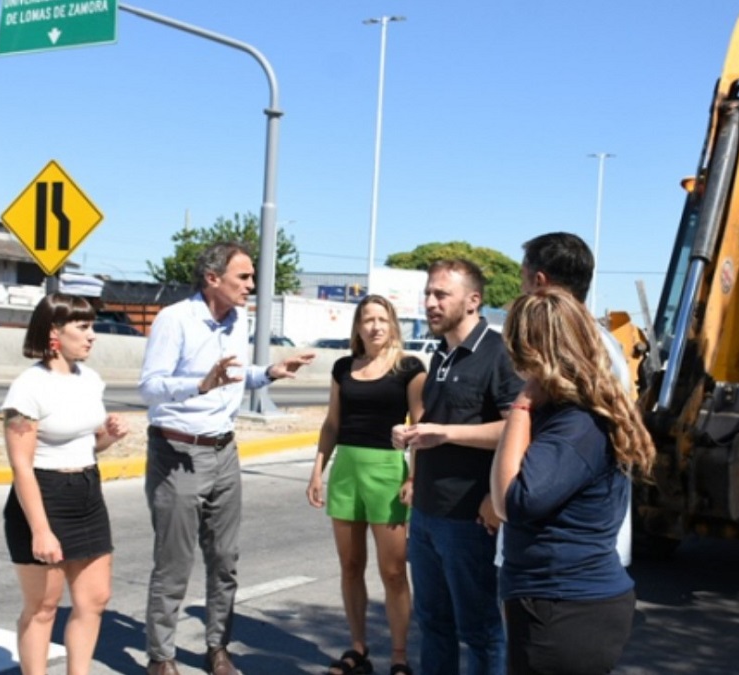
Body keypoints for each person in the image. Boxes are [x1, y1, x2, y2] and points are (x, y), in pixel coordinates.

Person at [138, 242, 316, 675]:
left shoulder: (239, 321)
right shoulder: (174, 320)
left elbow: (235, 378)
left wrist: (268, 373)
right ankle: (161, 657)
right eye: (245, 277)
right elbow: (150, 387)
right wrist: (199, 385)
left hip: (224, 451)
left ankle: (218, 648)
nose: (252, 286)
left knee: (225, 559)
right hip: (177, 450)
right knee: (174, 563)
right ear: (213, 278)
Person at [491, 287, 655, 675]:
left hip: (566, 608)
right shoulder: (568, 414)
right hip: (560, 602)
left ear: (527, 349)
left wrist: (521, 402)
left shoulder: (577, 423)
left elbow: (511, 502)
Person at [393, 259, 523, 675]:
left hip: (469, 519)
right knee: (433, 625)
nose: (429, 302)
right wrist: (414, 439)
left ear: (473, 301)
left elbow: (518, 430)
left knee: (481, 631)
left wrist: (446, 434)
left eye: (440, 294)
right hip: (428, 514)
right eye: (428, 293)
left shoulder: (499, 355)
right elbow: (441, 421)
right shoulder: (441, 354)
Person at [1, 292, 130, 675]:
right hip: (43, 497)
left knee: (94, 600)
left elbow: (88, 445)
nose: (93, 335)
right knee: (43, 608)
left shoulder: (90, 379)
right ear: (55, 332)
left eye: (92, 326)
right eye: (84, 327)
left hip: (88, 492)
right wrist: (41, 530)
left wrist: (109, 436)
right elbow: (21, 465)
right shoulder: (29, 386)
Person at [306, 294, 426, 675]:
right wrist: (317, 470)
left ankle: (400, 656)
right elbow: (332, 424)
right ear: (357, 326)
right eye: (367, 319)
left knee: (393, 571)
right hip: (347, 471)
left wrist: (413, 475)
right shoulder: (343, 367)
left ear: (392, 324)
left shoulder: (409, 368)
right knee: (350, 565)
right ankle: (357, 649)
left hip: (387, 473)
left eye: (381, 319)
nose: (374, 326)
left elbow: (419, 427)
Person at [519, 231, 634, 566]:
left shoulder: (569, 347)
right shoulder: (603, 342)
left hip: (560, 549)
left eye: (523, 280)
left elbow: (548, 435)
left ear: (540, 282)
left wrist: (501, 494)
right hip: (582, 541)